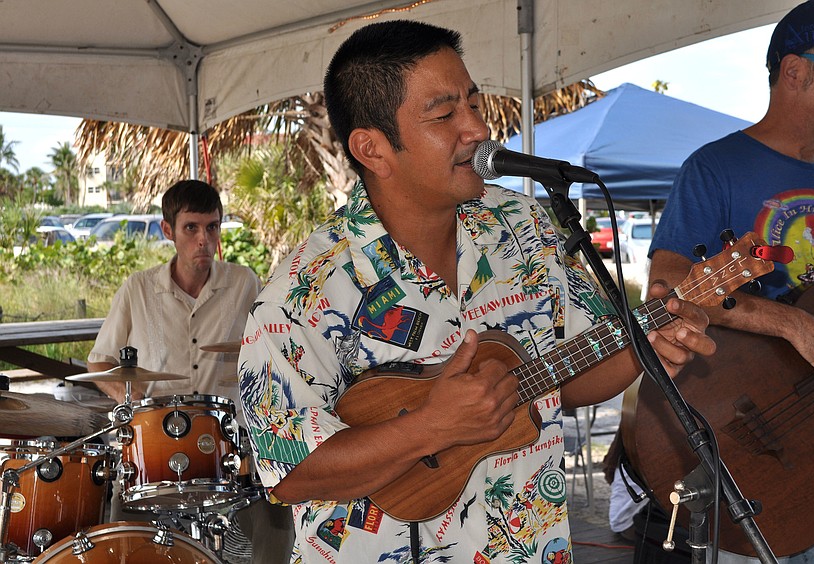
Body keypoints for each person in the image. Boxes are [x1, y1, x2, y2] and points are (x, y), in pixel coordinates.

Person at [238, 19, 714, 563]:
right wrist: (430, 428)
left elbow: (568, 379)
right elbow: (289, 473)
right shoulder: (303, 291)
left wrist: (645, 350)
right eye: (444, 114)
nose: (476, 128)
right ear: (372, 149)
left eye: (472, 102)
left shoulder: (526, 228)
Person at [648, 1, 814, 561]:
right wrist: (794, 324)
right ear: (795, 72)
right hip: (748, 433)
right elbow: (667, 289)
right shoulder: (714, 168)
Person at [87, 179, 293, 564]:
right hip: (156, 440)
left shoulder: (243, 282)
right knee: (122, 523)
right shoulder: (138, 288)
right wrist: (129, 401)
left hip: (231, 438)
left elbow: (272, 351)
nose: (204, 239)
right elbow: (99, 361)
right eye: (191, 228)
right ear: (168, 231)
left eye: (212, 227)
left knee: (277, 520)